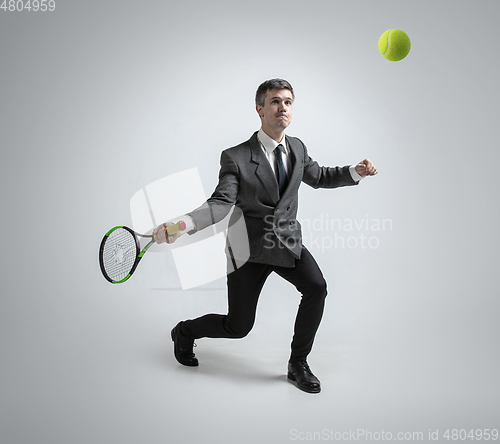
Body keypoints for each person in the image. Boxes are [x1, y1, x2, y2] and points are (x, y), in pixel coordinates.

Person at [153, 79, 377, 393]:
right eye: (274, 101)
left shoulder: (297, 147)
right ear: (260, 109)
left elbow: (320, 176)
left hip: (284, 242)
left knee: (317, 287)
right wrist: (179, 226)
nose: (282, 107)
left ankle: (297, 362)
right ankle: (186, 331)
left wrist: (354, 171)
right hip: (248, 248)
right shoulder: (236, 157)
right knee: (238, 327)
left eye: (287, 101)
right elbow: (220, 204)